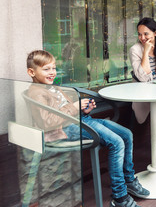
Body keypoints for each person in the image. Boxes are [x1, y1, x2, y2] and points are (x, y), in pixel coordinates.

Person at [26, 50, 149, 207]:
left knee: (126, 134)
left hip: (80, 120)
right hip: (65, 128)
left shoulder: (50, 87)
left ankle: (129, 179)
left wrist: (82, 110)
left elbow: (63, 109)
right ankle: (120, 196)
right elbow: (48, 122)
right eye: (46, 69)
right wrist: (75, 107)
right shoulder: (36, 92)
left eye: (54, 68)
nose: (52, 73)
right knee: (116, 142)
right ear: (31, 72)